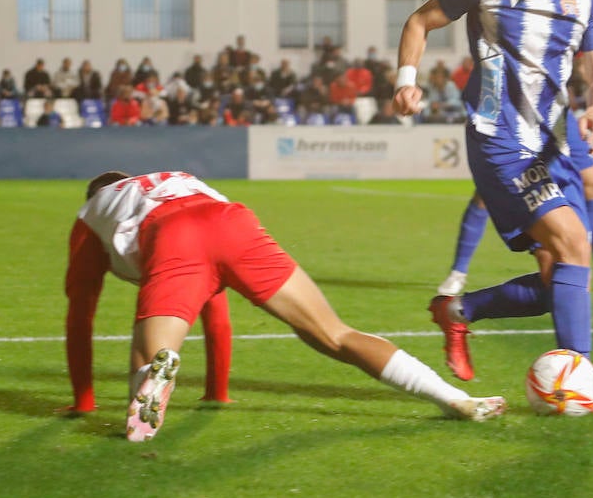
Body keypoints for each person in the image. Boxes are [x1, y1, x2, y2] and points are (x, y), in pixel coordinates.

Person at [394, 0, 593, 417]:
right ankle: (582, 378)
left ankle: (460, 310)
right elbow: (419, 22)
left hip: (558, 141)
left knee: (560, 281)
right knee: (576, 244)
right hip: (499, 136)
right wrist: (406, 80)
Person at [65, 170, 507, 442]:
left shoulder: (91, 213)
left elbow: (80, 314)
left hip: (172, 236)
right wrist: (217, 391)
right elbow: (215, 310)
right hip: (229, 221)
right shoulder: (170, 180)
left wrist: (84, 400)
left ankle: (147, 403)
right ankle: (455, 399)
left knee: (151, 354)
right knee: (335, 334)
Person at [437, 108, 593, 298]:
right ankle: (458, 274)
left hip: (558, 113)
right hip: (512, 114)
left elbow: (589, 69)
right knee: (485, 195)